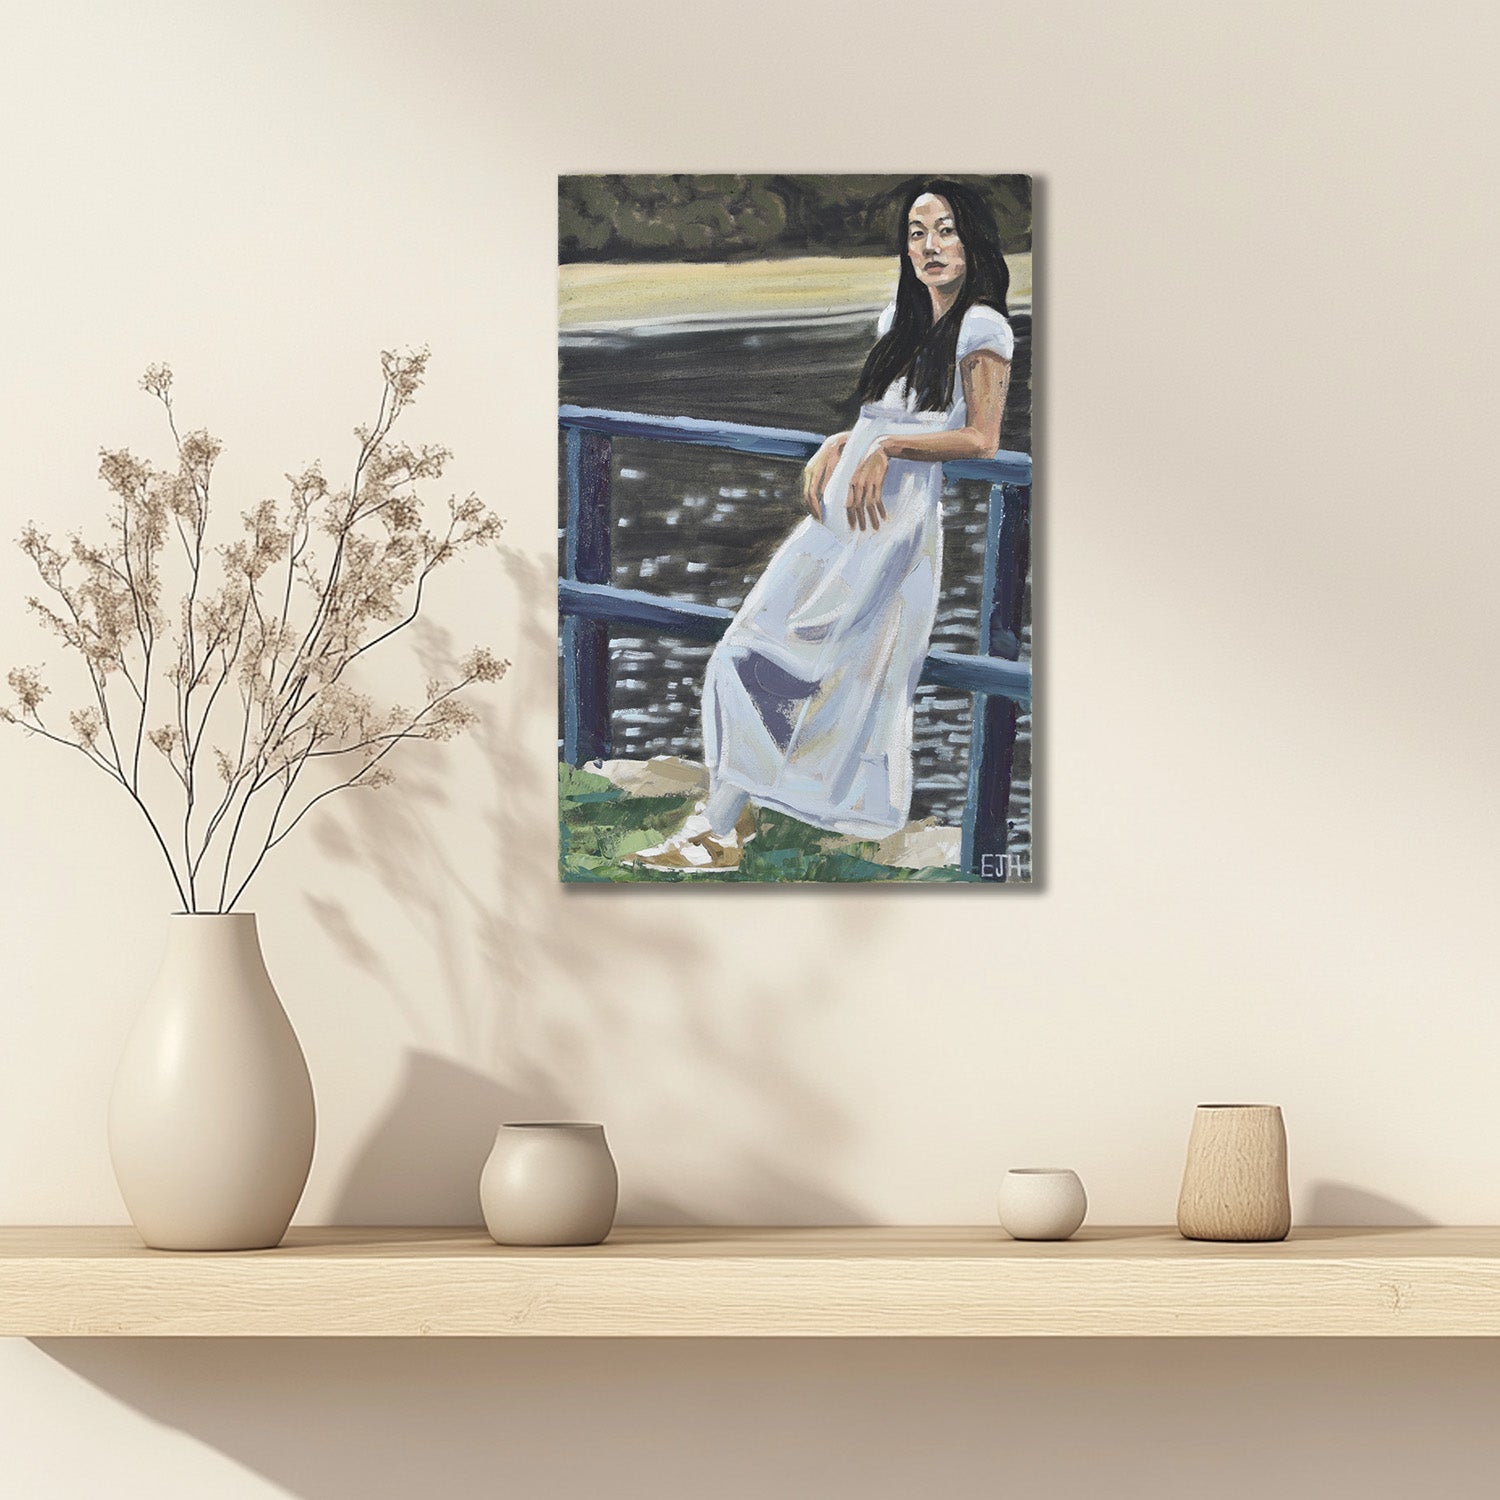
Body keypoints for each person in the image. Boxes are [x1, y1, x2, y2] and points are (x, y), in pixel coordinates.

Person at [628, 178, 1014, 873]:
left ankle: (718, 829)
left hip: (890, 531)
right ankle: (723, 820)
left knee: (834, 675)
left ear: (973, 238)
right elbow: (890, 413)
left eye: (946, 229)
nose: (930, 246)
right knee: (744, 650)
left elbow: (982, 439)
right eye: (918, 232)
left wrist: (888, 449)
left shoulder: (983, 326)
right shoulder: (901, 317)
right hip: (840, 524)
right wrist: (847, 440)